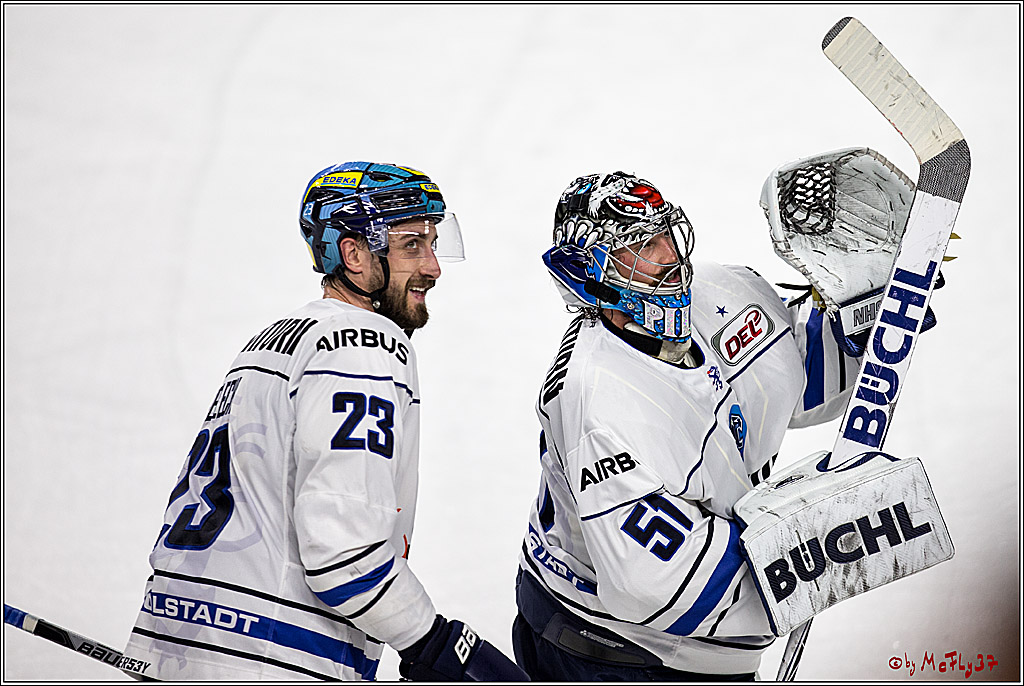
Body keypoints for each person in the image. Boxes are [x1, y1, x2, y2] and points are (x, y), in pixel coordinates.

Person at [121, 162, 528, 681]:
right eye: (411, 246)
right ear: (354, 254)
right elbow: (344, 552)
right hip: (273, 658)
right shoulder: (363, 345)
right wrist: (437, 644)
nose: (433, 266)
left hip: (175, 642)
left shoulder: (272, 341)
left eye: (432, 242)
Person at [511, 170, 890, 680]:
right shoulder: (599, 401)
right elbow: (654, 582)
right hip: (612, 651)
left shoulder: (721, 292)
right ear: (589, 273)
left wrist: (875, 311)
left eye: (666, 231)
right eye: (638, 245)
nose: (668, 254)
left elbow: (792, 383)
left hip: (689, 635)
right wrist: (815, 554)